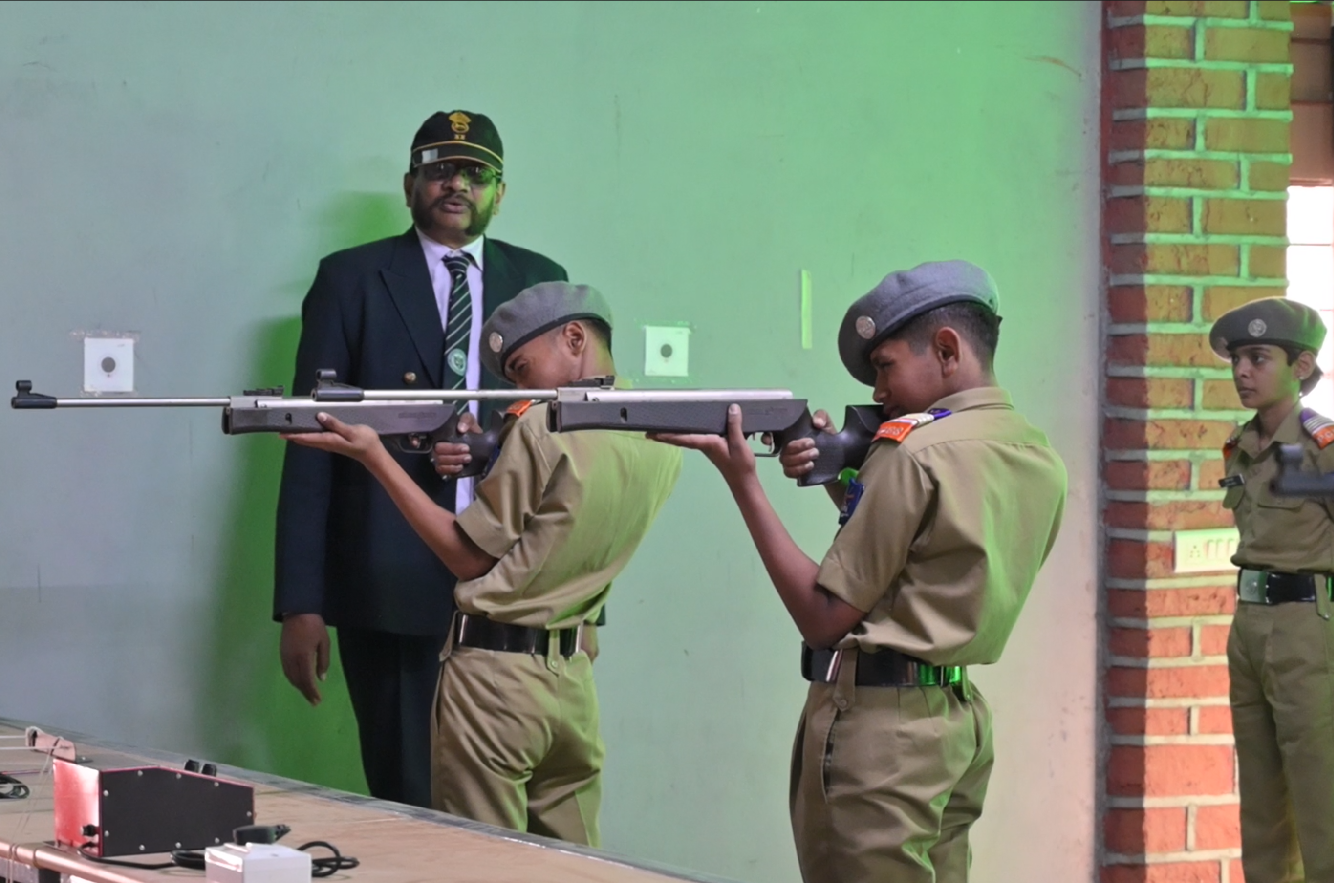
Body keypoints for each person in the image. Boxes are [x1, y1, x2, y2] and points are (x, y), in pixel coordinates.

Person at [653, 260, 1067, 882]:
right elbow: (920, 553)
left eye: (885, 365)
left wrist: (743, 483)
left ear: (947, 350)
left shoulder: (912, 452)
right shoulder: (1034, 451)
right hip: (958, 722)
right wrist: (843, 479)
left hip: (882, 733)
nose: (878, 392)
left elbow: (824, 617)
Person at [284, 282, 680, 845]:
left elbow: (468, 556)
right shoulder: (659, 432)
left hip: (496, 679)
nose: (520, 390)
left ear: (574, 338)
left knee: (482, 859)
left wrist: (375, 456)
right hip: (572, 677)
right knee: (576, 862)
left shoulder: (540, 427)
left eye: (522, 369)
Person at [272, 110, 569, 809]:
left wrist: (578, 610)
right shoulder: (350, 279)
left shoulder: (543, 283)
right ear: (410, 186)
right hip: (389, 580)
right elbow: (312, 447)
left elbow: (570, 445)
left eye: (476, 173)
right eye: (439, 170)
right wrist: (301, 604)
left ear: (501, 192)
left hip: (515, 578)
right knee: (410, 791)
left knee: (508, 799)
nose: (457, 184)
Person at [1209, 297, 1334, 883]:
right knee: (1260, 802)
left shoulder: (1319, 449)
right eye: (1237, 359)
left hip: (1308, 628)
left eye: (1257, 358)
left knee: (1320, 796)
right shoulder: (1242, 444)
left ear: (1301, 366)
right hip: (1250, 627)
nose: (1241, 371)